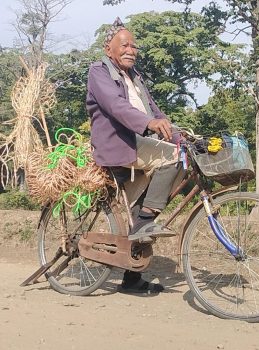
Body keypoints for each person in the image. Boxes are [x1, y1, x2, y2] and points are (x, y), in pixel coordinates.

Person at [86, 17, 183, 293]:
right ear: (109, 49)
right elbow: (116, 107)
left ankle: (131, 278)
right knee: (173, 158)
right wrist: (149, 125)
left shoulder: (135, 77)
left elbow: (155, 112)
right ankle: (144, 221)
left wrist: (179, 135)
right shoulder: (99, 72)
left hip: (137, 145)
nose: (131, 50)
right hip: (118, 145)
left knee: (143, 212)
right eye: (124, 45)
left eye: (134, 46)